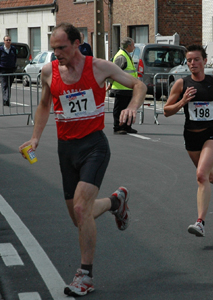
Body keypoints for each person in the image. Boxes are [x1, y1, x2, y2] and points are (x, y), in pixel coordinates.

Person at [18, 23, 146, 297]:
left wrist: (133, 107)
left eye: (61, 47)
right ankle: (116, 201)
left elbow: (139, 84)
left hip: (94, 146)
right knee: (80, 217)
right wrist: (35, 138)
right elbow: (44, 105)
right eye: (53, 48)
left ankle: (85, 275)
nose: (56, 54)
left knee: (80, 209)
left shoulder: (99, 68)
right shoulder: (48, 71)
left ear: (77, 43)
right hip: (66, 150)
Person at [164, 44, 213, 237]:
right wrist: (182, 102)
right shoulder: (181, 84)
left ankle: (200, 222)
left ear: (205, 61)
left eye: (196, 59)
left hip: (212, 133)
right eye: (189, 60)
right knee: (209, 176)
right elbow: (166, 111)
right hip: (191, 135)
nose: (192, 63)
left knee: (201, 175)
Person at [111, 37, 138, 134]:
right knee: (119, 109)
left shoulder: (126, 55)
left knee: (127, 108)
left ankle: (127, 126)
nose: (134, 47)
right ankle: (118, 127)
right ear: (129, 45)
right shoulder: (121, 56)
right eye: (133, 45)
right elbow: (113, 72)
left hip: (128, 87)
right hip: (121, 88)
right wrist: (110, 84)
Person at [0, 35, 17, 106]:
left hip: (11, 69)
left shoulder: (13, 49)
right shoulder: (0, 49)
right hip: (3, 69)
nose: (8, 41)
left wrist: (14, 66)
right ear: (4, 41)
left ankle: (7, 99)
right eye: (7, 40)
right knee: (4, 85)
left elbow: (15, 58)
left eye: (9, 40)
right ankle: (5, 100)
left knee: (9, 85)